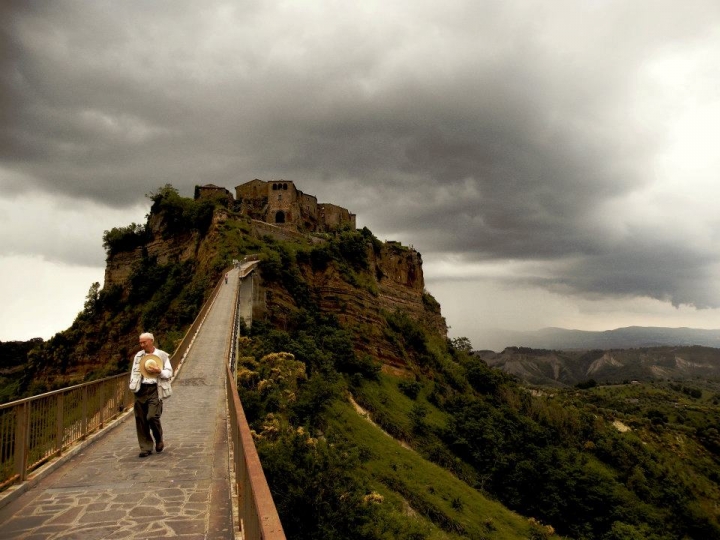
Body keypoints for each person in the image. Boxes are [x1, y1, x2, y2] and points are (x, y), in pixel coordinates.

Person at [129, 332, 172, 457]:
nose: (142, 345)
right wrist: (132, 385)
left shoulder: (162, 355)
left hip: (155, 389)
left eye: (144, 342)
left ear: (151, 341)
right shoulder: (138, 356)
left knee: (152, 416)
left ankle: (158, 438)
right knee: (141, 419)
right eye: (140, 342)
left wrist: (159, 372)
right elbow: (134, 372)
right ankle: (145, 447)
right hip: (140, 389)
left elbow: (169, 373)